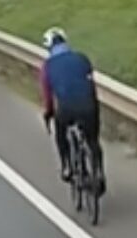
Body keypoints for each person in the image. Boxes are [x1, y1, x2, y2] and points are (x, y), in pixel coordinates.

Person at [40, 28, 103, 185]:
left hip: (66, 109)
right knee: (93, 140)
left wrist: (48, 113)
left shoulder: (48, 66)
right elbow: (90, 82)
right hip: (89, 105)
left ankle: (67, 166)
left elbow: (48, 95)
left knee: (61, 133)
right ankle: (99, 172)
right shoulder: (82, 58)